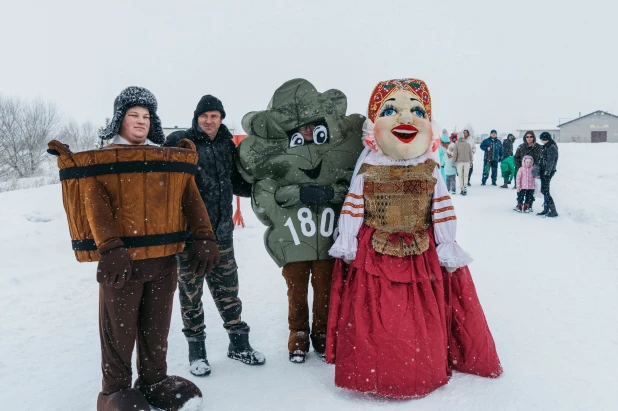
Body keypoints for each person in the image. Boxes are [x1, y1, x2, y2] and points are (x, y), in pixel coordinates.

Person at [326, 78, 502, 399]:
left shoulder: (429, 167)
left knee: (415, 315)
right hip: (375, 246)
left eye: (416, 110)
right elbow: (354, 203)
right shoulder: (370, 164)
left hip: (419, 249)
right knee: (376, 314)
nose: (405, 118)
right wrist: (348, 238)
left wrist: (446, 244)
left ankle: (414, 366)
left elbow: (441, 207)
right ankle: (380, 367)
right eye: (391, 110)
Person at [50, 86, 217, 411]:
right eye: (133, 115)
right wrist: (110, 247)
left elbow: (189, 195)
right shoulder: (103, 161)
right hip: (122, 266)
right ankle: (114, 391)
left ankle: (154, 380)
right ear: (119, 120)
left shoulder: (166, 160)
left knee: (157, 328)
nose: (140, 122)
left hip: (164, 262)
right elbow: (93, 201)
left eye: (146, 116)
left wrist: (204, 236)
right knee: (119, 330)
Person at [238, 78, 364, 363]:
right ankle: (298, 332)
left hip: (327, 235)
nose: (307, 130)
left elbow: (350, 187)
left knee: (324, 287)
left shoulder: (334, 154)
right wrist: (300, 192)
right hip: (293, 236)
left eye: (313, 124)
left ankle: (320, 331)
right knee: (296, 288)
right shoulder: (282, 155)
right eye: (302, 126)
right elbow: (267, 190)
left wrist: (329, 192)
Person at [163, 95, 265, 377]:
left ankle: (238, 345)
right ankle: (197, 352)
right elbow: (166, 183)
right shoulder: (181, 142)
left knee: (228, 291)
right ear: (196, 117)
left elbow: (234, 181)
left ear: (221, 119)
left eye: (215, 116)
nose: (209, 121)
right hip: (190, 237)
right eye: (205, 116)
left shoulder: (225, 144)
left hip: (222, 235)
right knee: (190, 294)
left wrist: (261, 184)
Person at [537, 131, 559, 217]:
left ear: (546, 139)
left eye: (542, 139)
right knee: (545, 190)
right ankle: (546, 209)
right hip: (544, 171)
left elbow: (551, 161)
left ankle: (553, 211)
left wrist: (547, 172)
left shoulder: (551, 147)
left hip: (547, 172)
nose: (541, 141)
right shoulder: (546, 146)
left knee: (545, 191)